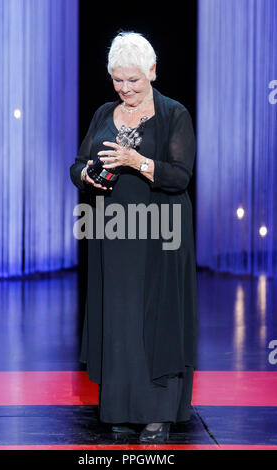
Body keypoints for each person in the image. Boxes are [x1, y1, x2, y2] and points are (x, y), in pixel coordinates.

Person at [70, 31, 198, 443]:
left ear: (153, 72)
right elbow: (77, 164)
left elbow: (180, 176)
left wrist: (136, 161)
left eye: (134, 81)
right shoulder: (104, 112)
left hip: (161, 234)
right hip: (113, 233)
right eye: (118, 80)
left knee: (155, 318)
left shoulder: (174, 114)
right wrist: (86, 176)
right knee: (119, 318)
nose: (125, 89)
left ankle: (157, 413)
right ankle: (120, 409)